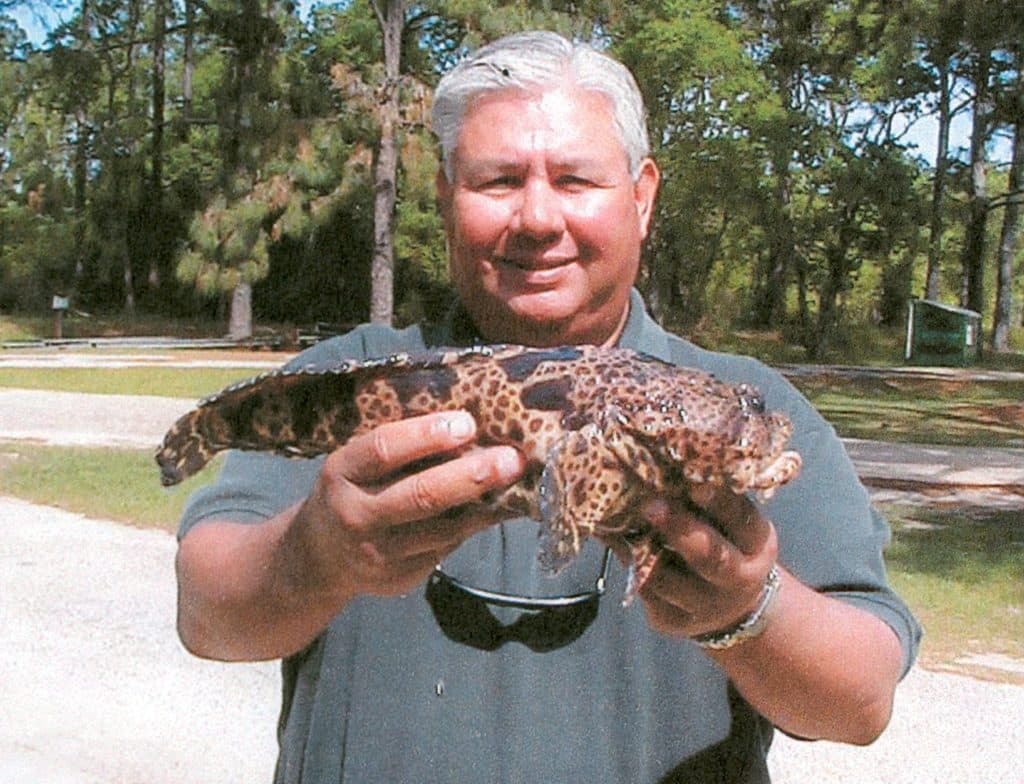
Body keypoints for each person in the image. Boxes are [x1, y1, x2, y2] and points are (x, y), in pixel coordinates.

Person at [175, 31, 920, 783]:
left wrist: (747, 606)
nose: (536, 217)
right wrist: (316, 554)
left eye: (574, 180)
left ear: (642, 196)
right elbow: (206, 616)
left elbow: (861, 703)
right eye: (498, 180)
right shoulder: (349, 379)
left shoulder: (738, 401)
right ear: (444, 197)